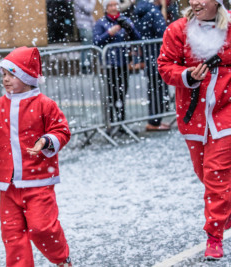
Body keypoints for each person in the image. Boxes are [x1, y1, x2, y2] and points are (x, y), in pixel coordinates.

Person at [0, 47, 72, 267]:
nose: (6, 80)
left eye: (11, 75)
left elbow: (62, 131)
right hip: (8, 185)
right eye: (4, 75)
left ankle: (62, 259)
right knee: (12, 235)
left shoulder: (45, 104)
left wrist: (46, 141)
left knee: (42, 228)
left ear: (26, 76)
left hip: (38, 182)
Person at [157, 0, 231, 259]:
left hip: (226, 113)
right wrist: (187, 75)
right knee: (204, 173)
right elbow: (165, 66)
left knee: (216, 176)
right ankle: (225, 211)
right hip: (194, 115)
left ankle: (214, 237)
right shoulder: (178, 30)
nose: (195, 2)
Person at [93, 0, 141, 124]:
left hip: (123, 62)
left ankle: (121, 122)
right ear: (106, 8)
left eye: (115, 5)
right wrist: (109, 33)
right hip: (109, 63)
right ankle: (111, 123)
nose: (114, 8)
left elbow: (137, 38)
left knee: (122, 92)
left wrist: (129, 28)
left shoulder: (124, 20)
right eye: (110, 5)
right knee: (111, 94)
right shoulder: (101, 23)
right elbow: (96, 42)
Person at [134, 0, 171, 131]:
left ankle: (154, 120)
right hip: (157, 56)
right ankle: (155, 122)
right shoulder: (154, 12)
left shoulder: (141, 11)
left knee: (154, 89)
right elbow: (164, 33)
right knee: (158, 90)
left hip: (149, 55)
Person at [73, 0, 97, 74]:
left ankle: (87, 65)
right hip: (84, 25)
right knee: (86, 46)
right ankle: (85, 67)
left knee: (88, 46)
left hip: (88, 25)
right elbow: (89, 9)